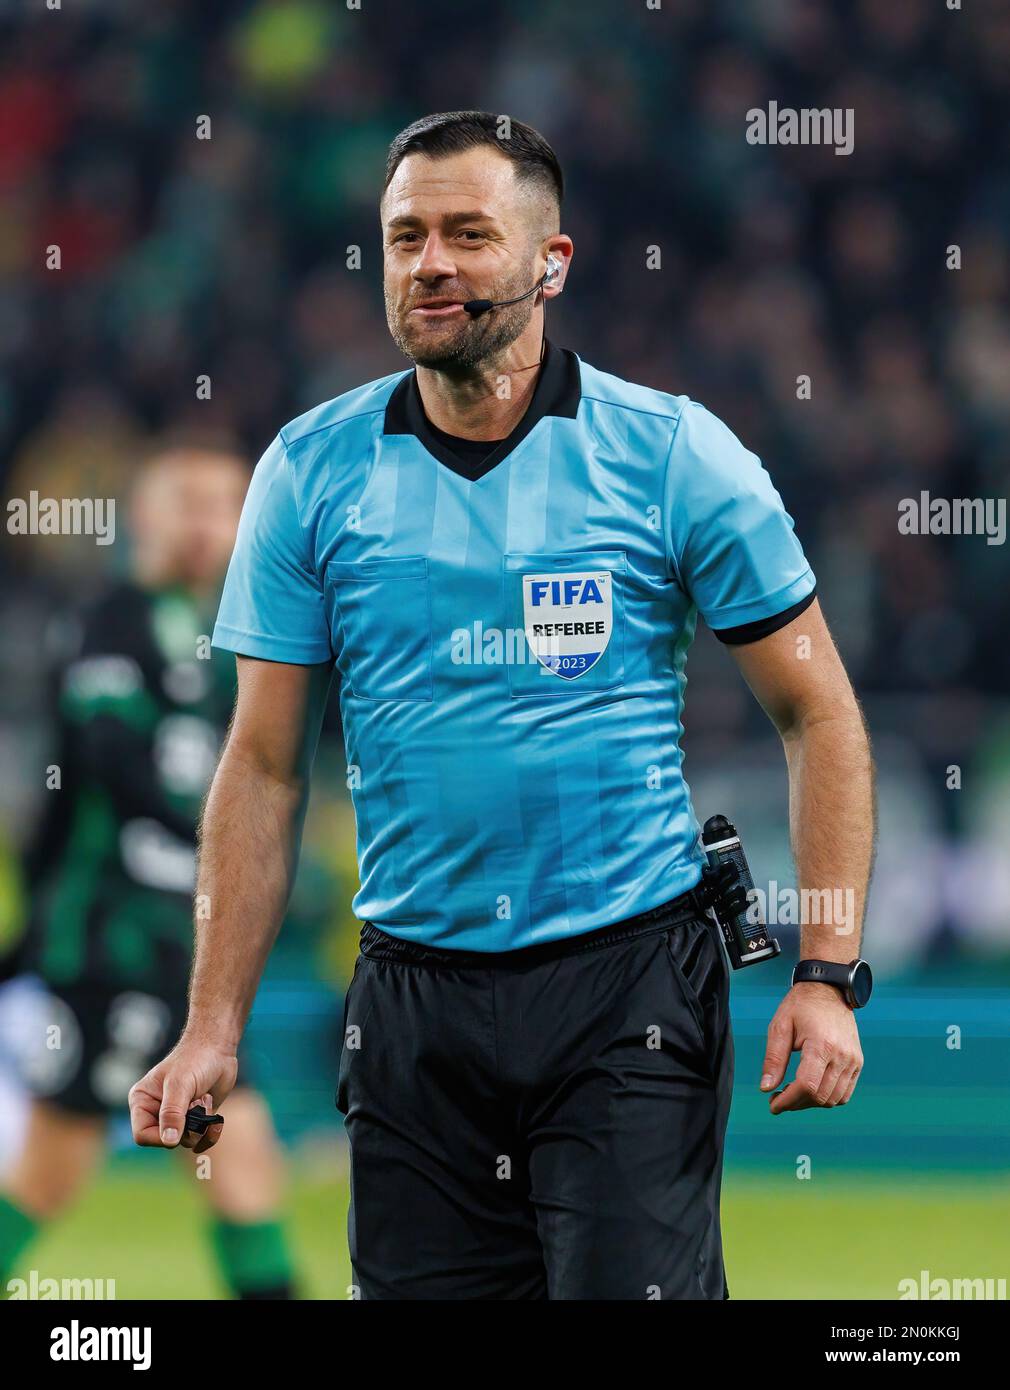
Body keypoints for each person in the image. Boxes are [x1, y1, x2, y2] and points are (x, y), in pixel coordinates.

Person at [130, 112, 875, 1300]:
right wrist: (212, 1024)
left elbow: (818, 716)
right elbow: (264, 766)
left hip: (624, 987)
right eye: (405, 236)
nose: (429, 262)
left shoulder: (673, 457)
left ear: (551, 263)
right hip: (411, 1000)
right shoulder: (309, 473)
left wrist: (826, 972)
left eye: (469, 235)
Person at [0, 447, 301, 1300]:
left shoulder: (245, 637)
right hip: (114, 943)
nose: (208, 524)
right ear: (145, 518)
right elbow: (100, 765)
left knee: (241, 1156)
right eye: (189, 504)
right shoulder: (113, 621)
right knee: (55, 1163)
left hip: (198, 954)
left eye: (225, 506)